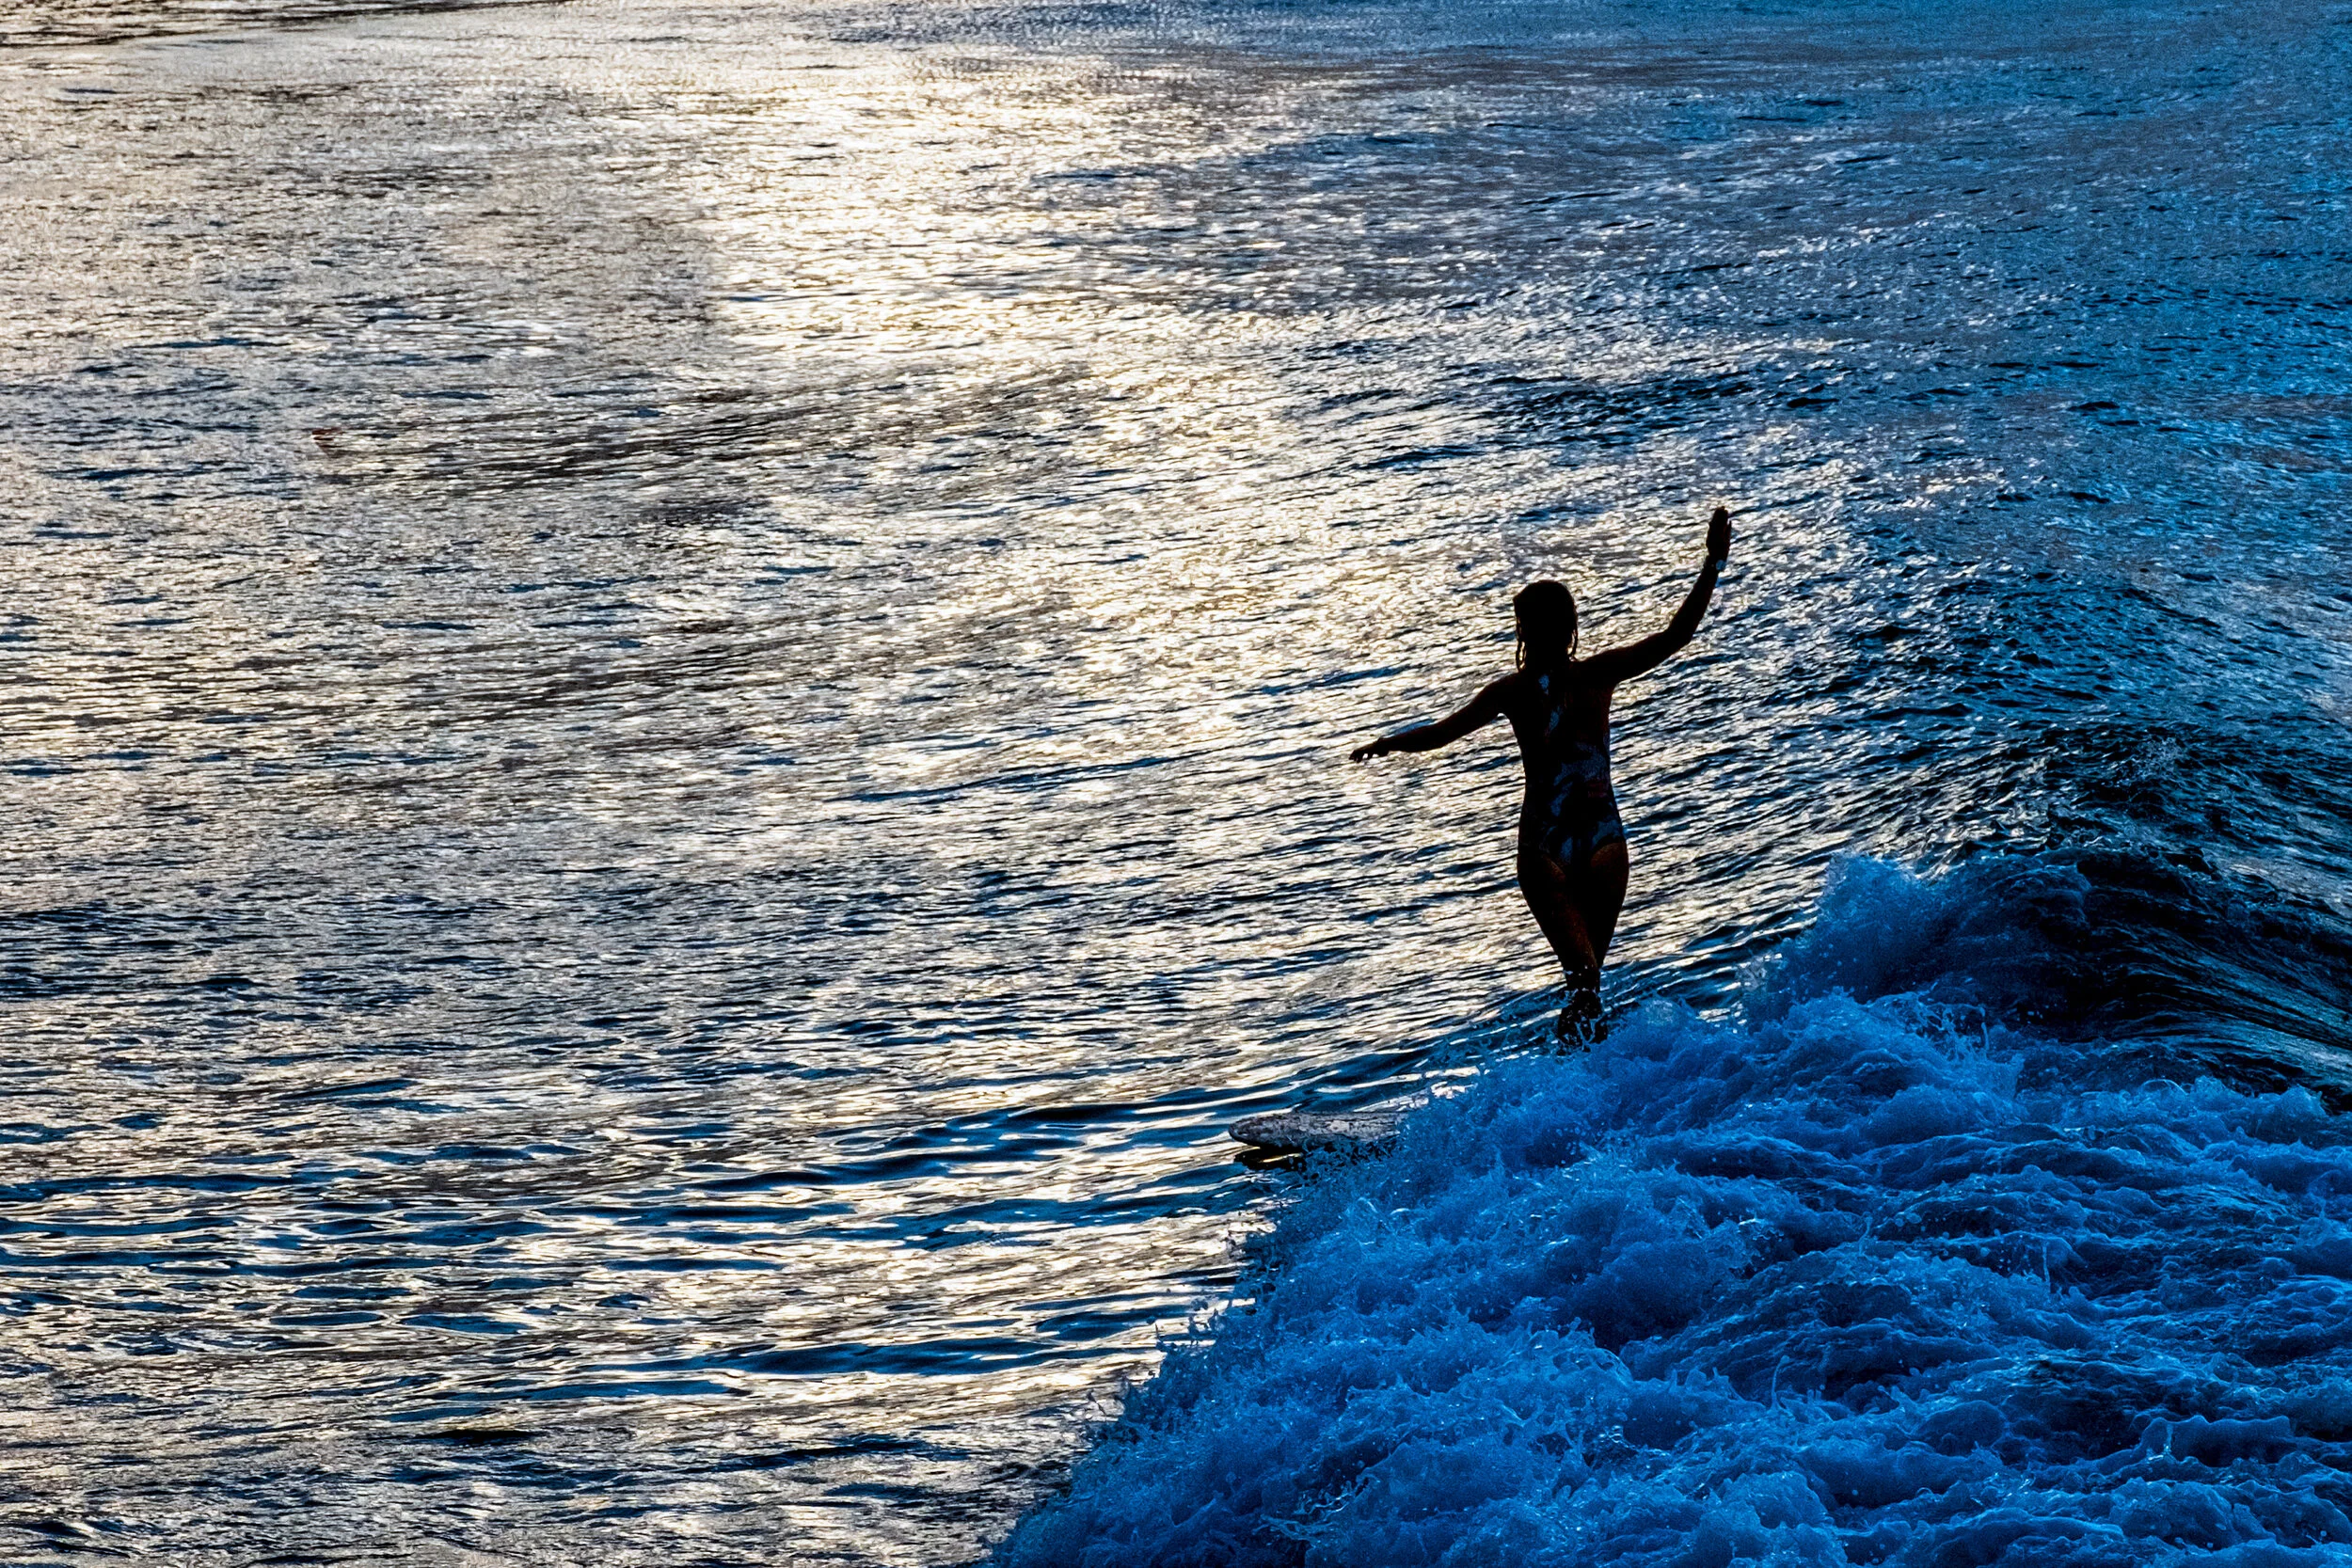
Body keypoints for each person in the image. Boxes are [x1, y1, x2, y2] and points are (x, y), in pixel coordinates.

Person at [1351, 506, 1732, 1038]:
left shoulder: (1516, 690)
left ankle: (1570, 1086)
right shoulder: (1594, 674)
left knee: (1585, 982)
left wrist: (1388, 743)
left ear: (1523, 631)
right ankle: (1582, 1085)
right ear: (1572, 627)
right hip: (1601, 838)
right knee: (1587, 981)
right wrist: (1712, 564)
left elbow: (1441, 733)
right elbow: (1676, 634)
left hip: (1547, 846)